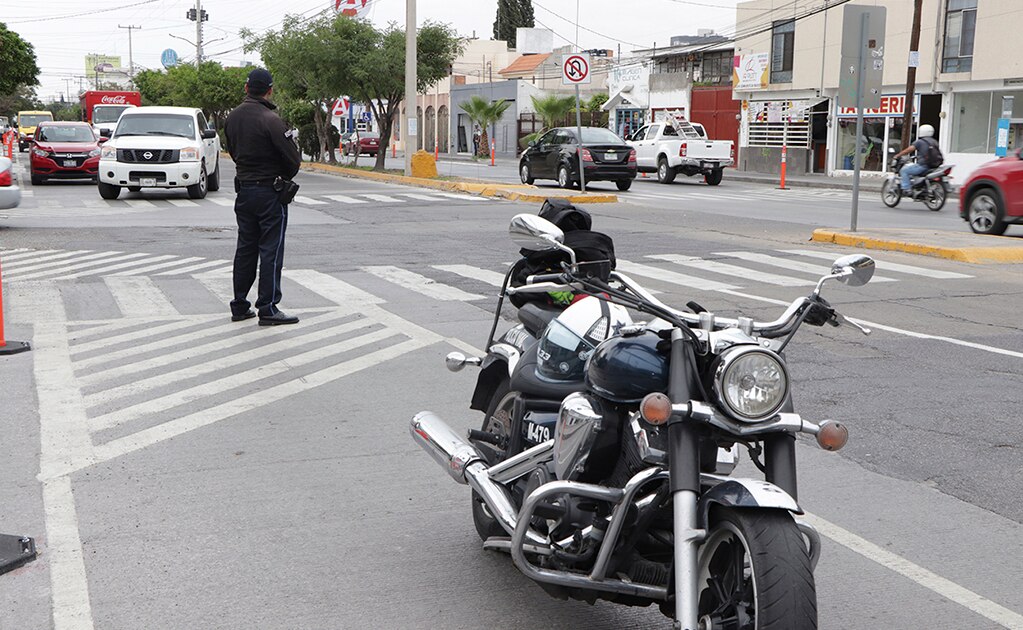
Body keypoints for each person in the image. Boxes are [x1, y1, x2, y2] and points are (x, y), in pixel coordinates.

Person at [223, 68, 302, 326]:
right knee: (270, 250)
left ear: (246, 88)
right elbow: (293, 160)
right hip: (269, 192)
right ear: (269, 90)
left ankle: (239, 305)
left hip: (244, 190)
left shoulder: (232, 117)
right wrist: (280, 176)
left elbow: (233, 151)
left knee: (245, 248)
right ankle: (267, 308)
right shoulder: (271, 119)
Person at [895, 124, 941, 196]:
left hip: (923, 166)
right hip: (933, 166)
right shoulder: (934, 142)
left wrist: (898, 155)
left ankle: (907, 189)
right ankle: (918, 187)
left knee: (904, 170)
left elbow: (909, 150)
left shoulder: (920, 142)